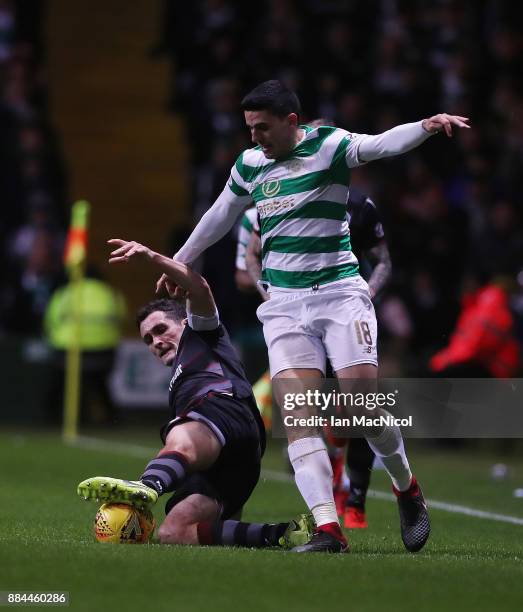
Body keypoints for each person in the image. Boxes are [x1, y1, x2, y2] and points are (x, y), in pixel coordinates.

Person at [158, 79, 470, 552]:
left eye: (262, 127)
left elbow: (381, 144)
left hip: (340, 296)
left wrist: (426, 127)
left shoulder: (329, 147)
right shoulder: (251, 165)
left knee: (361, 407)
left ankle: (406, 487)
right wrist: (180, 262)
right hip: (284, 305)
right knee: (300, 415)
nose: (254, 137)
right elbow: (220, 215)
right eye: (249, 128)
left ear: (291, 122)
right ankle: (329, 528)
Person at [77, 238, 314, 549]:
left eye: (161, 330)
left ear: (185, 322)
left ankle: (147, 485)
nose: (155, 342)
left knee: (183, 434)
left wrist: (152, 257)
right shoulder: (180, 379)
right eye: (148, 339)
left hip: (226, 413)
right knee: (174, 531)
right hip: (237, 460)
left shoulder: (200, 333)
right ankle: (284, 533)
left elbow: (199, 287)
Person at [240, 179, 392, 529]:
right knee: (307, 411)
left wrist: (365, 295)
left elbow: (382, 261)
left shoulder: (359, 206)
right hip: (299, 316)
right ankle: (329, 497)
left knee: (358, 409)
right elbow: (251, 256)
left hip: (346, 314)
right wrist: (271, 298)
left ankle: (356, 497)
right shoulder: (278, 202)